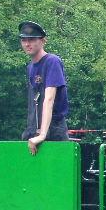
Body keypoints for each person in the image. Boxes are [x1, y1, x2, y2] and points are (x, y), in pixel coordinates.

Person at [19, 21, 69, 155]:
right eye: (24, 40)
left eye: (31, 40)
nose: (27, 44)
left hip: (53, 132)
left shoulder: (52, 61)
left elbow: (49, 99)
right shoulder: (30, 67)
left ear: (43, 41)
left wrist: (42, 135)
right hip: (33, 132)